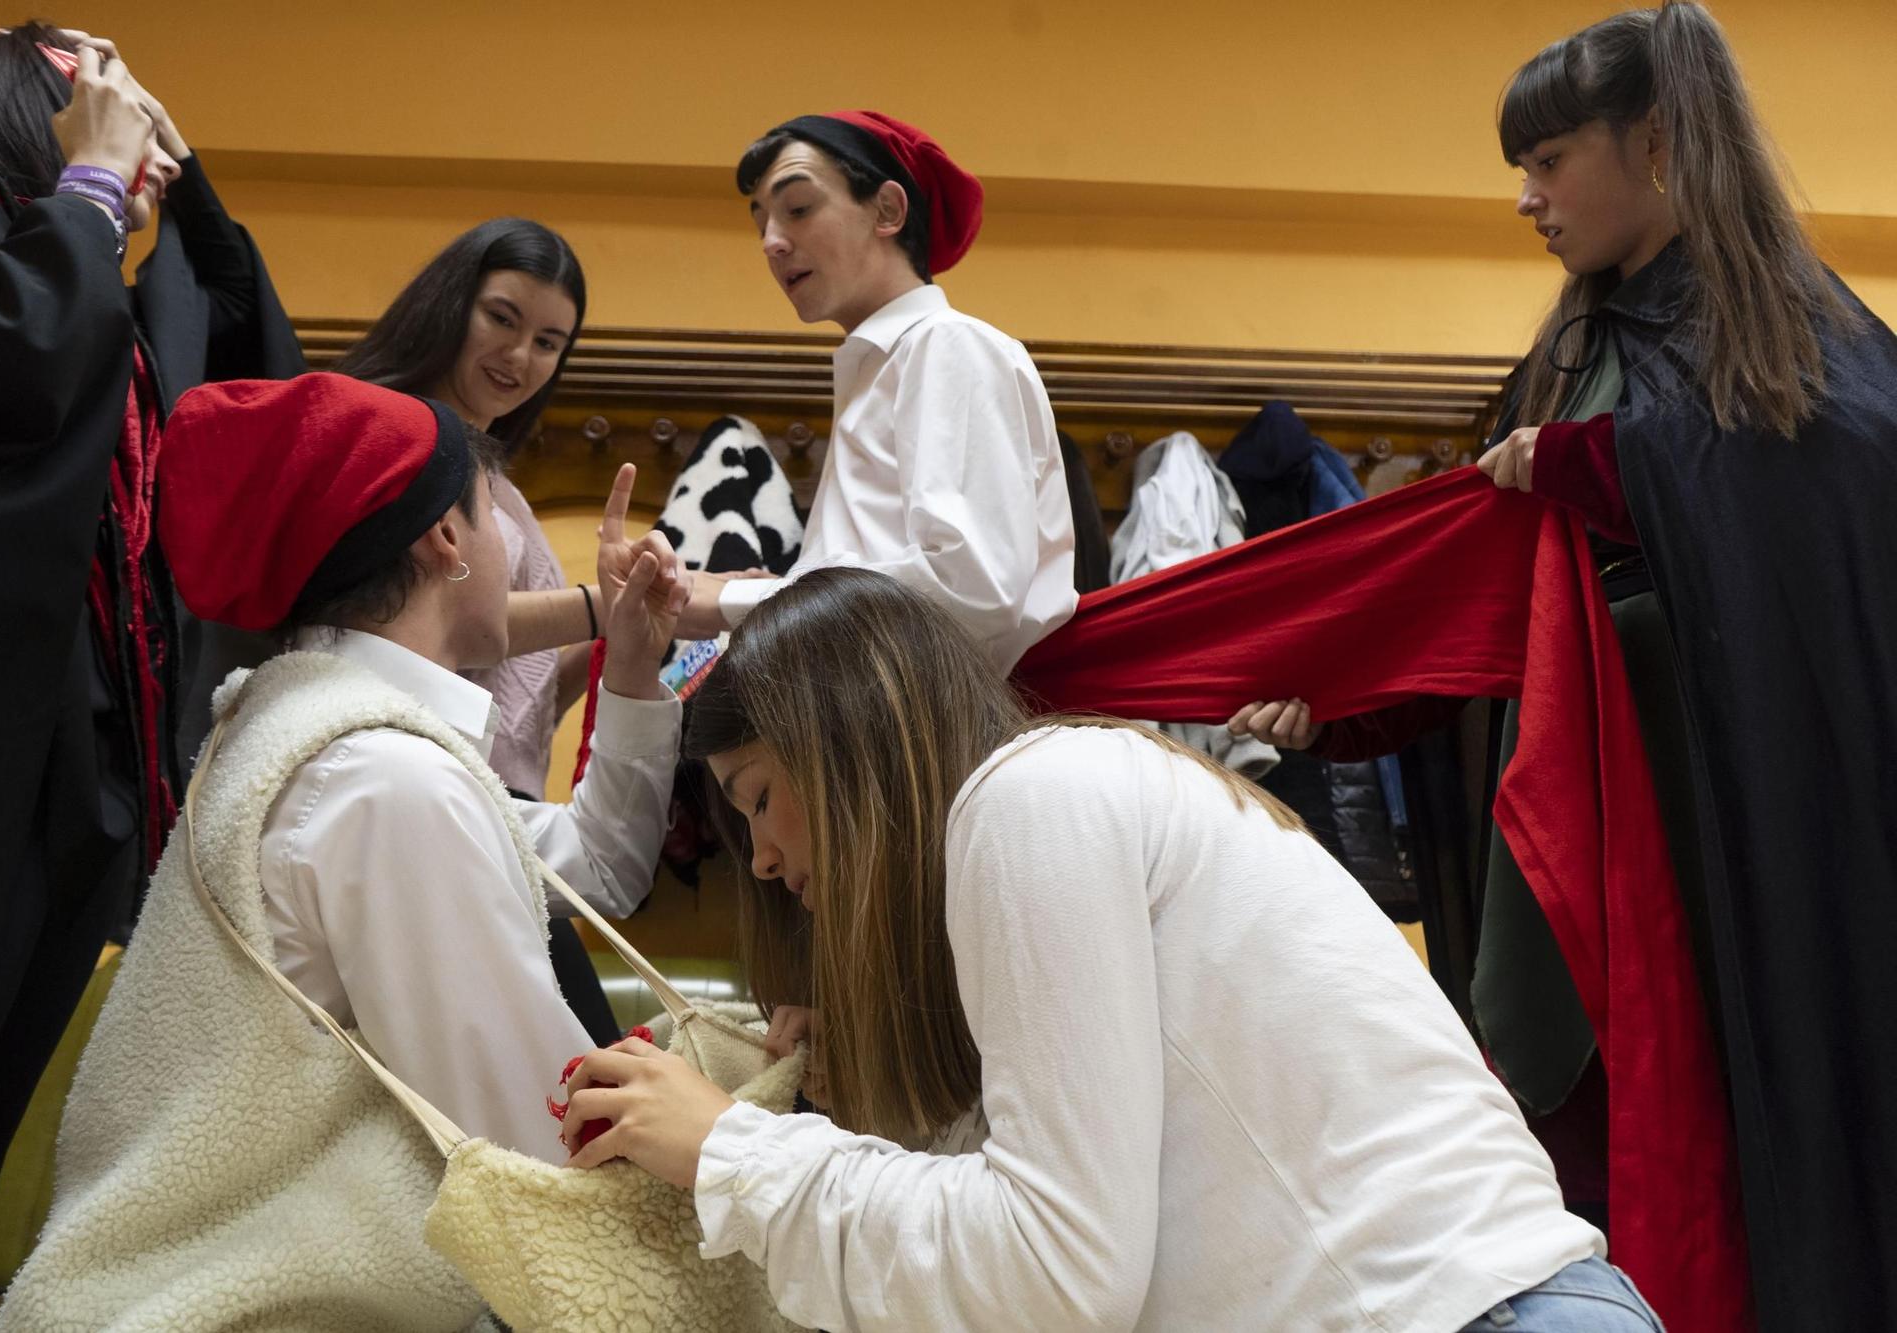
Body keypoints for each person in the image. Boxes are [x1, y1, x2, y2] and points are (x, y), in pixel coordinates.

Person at [1231, 3, 1897, 1325]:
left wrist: (1608, 470)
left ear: (1657, 143)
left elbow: (1838, 484)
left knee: (1746, 1156)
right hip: (1581, 841)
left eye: (1548, 162)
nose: (1528, 200)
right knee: (1581, 1173)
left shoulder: (1797, 338)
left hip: (1740, 846)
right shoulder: (1578, 349)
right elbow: (1518, 603)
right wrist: (1351, 714)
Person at [549, 567, 1662, 1333]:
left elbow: (1055, 1270)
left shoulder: (1031, 799)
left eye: (756, 800)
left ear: (844, 746)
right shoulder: (1069, 804)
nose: (756, 858)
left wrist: (731, 1151)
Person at [0, 375, 686, 1329]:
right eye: (496, 517)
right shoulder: (380, 778)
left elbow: (593, 867)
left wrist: (637, 670)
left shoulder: (320, 736)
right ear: (443, 538)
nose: (514, 554)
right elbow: (543, 1131)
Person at [0, 22, 300, 1320]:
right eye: (106, 89)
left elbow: (250, 364)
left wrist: (176, 177)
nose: (134, 119)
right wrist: (86, 185)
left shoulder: (91, 285)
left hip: (80, 785)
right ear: (31, 106)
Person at [564, 110, 1074, 676]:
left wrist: (730, 603)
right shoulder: (879, 372)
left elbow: (972, 590)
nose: (771, 243)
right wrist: (774, 596)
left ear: (887, 209)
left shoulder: (947, 345)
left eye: (799, 209)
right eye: (760, 224)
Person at [333, 219, 623, 1038]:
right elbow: (459, 625)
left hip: (494, 813)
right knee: (587, 1072)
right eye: (502, 317)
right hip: (428, 812)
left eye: (549, 341)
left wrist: (626, 642)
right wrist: (605, 603)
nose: (520, 356)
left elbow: (511, 697)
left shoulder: (490, 471)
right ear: (450, 302)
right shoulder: (399, 436)